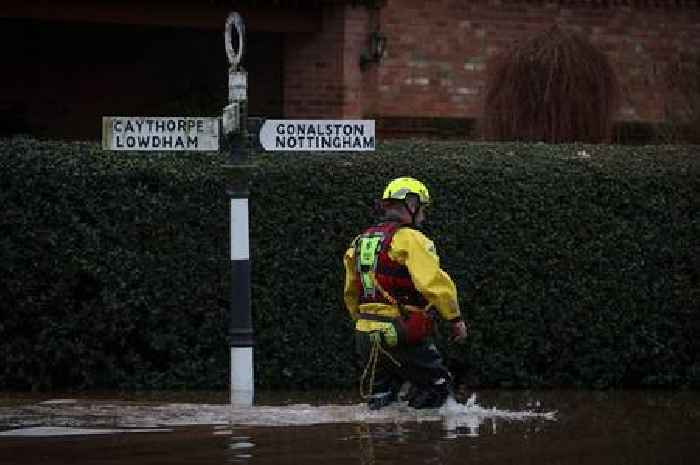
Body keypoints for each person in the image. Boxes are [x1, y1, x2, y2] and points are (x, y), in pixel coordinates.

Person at [343, 177, 469, 410]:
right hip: (399, 332)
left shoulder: (359, 241)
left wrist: (364, 323)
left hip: (365, 334)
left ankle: (383, 443)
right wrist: (455, 318)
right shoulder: (411, 239)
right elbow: (433, 283)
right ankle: (426, 442)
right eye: (422, 208)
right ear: (411, 204)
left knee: (381, 404)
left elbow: (351, 293)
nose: (423, 215)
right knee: (439, 393)